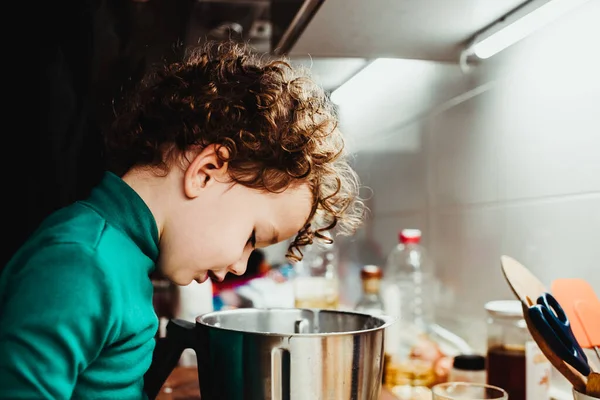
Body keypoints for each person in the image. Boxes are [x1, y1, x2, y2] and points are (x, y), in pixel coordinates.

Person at [0, 41, 363, 399]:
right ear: (206, 172)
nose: (240, 265)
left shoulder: (120, 259)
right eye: (251, 236)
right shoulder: (82, 264)